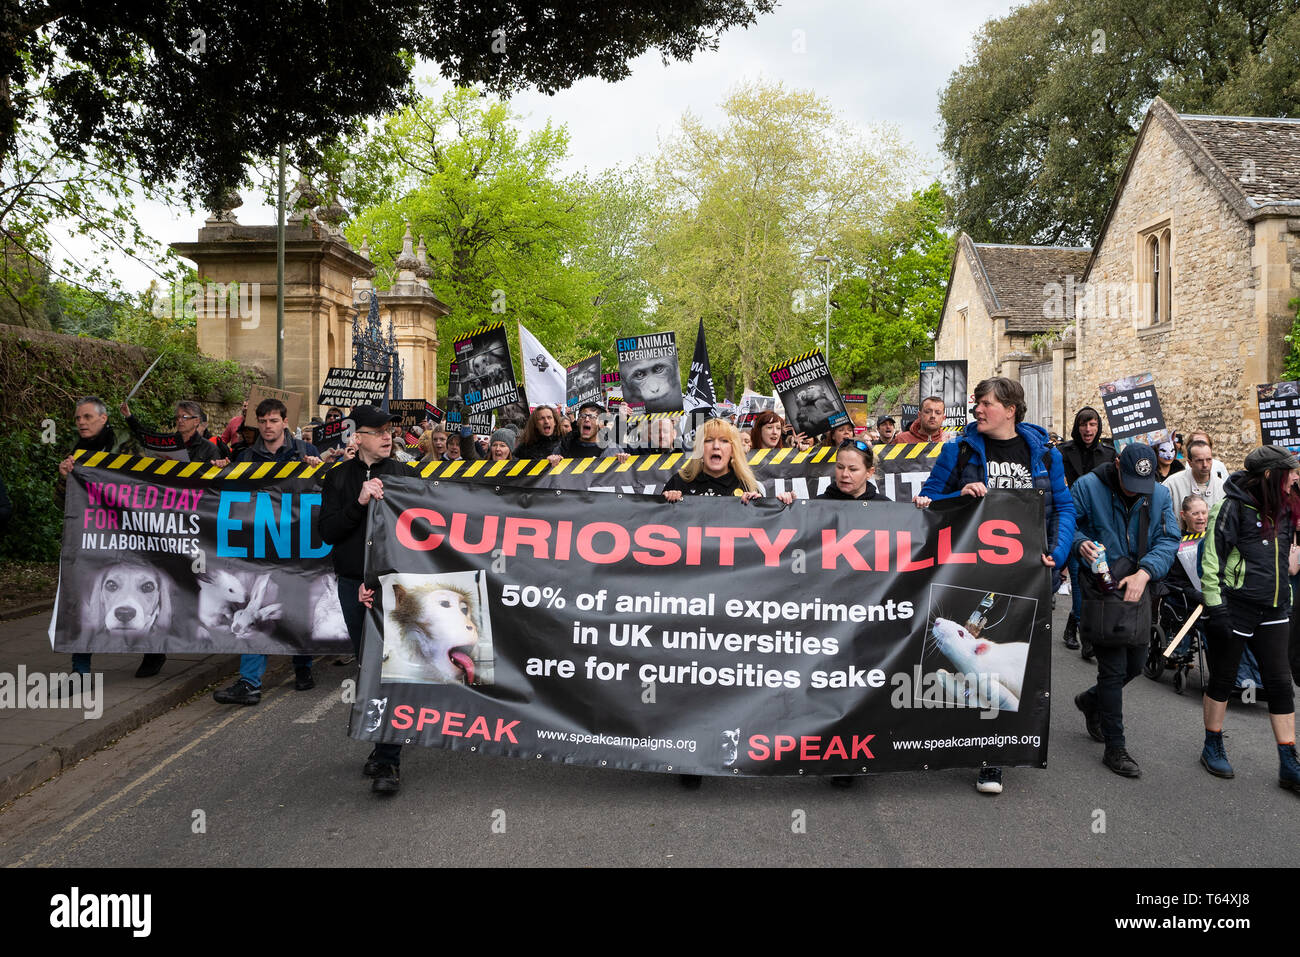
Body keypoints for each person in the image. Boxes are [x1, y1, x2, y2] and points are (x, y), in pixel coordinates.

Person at [914, 376, 1075, 795]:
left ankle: (993, 756)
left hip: (1026, 578)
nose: (976, 411)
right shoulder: (959, 449)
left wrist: (1057, 553)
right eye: (975, 405)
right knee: (967, 669)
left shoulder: (1044, 454)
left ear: (1010, 408)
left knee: (1012, 672)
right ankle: (943, 740)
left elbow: (1062, 506)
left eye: (984, 404)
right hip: (971, 574)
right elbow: (928, 502)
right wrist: (960, 495)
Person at [664, 417, 794, 788]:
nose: (716, 448)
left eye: (723, 441)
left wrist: (780, 505)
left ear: (733, 448)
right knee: (689, 679)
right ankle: (689, 756)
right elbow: (652, 533)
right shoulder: (681, 482)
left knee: (721, 681)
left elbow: (771, 533)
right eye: (710, 441)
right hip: (688, 600)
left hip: (732, 603)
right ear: (700, 447)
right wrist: (666, 504)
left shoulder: (747, 485)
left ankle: (721, 748)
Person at [1071, 443, 1179, 779]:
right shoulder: (1087, 487)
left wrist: (1145, 572)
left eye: (1142, 484)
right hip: (1101, 587)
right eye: (1130, 479)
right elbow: (1062, 523)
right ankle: (1115, 748)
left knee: (1136, 663)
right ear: (1117, 464)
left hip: (1138, 588)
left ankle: (1091, 701)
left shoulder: (1158, 494)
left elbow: (1169, 539)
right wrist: (1078, 543)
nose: (1136, 489)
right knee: (1113, 669)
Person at [1197, 445, 1300, 791]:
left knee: (1280, 684)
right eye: (1291, 472)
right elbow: (1211, 558)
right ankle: (1212, 744)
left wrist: (1287, 589)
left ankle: (1288, 760)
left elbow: (1284, 557)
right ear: (1270, 475)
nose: (1296, 478)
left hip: (1274, 608)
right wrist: (1217, 607)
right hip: (1236, 606)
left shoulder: (1286, 509)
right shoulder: (1231, 507)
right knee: (1224, 678)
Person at [318, 405, 407, 795]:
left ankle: (387, 757)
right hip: (353, 585)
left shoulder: (406, 476)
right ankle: (384, 743)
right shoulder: (337, 478)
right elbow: (328, 532)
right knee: (367, 667)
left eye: (390, 430)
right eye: (378, 431)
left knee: (388, 669)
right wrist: (358, 501)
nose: (388, 436)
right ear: (357, 437)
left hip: (393, 588)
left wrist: (389, 584)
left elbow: (420, 536)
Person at [212, 399, 322, 706]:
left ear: (285, 421)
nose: (267, 426)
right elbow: (227, 493)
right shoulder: (246, 456)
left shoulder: (305, 452)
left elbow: (324, 488)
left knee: (296, 607)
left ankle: (302, 666)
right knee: (253, 610)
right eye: (262, 421)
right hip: (259, 545)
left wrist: (320, 468)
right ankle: (249, 682)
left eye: (273, 420)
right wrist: (220, 471)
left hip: (297, 544)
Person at [57, 396, 163, 680]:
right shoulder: (77, 452)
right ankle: (80, 669)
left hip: (134, 536)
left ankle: (154, 651)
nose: (81, 422)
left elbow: (149, 486)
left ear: (103, 419)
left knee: (142, 594)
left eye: (87, 417)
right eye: (78, 418)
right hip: (94, 537)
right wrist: (64, 477)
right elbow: (65, 503)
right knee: (81, 595)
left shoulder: (127, 445)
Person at [1056, 407, 1116, 653]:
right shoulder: (1062, 452)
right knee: (1079, 579)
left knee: (1099, 577)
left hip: (1099, 523)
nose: (1088, 430)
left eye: (1092, 424)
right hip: (1071, 522)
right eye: (1083, 425)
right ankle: (1086, 634)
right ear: (1077, 427)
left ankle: (1074, 622)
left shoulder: (1109, 454)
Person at [121, 398, 218, 462]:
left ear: (196, 421)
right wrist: (129, 417)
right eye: (178, 417)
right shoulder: (168, 442)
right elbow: (145, 436)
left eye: (184, 417)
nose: (180, 421)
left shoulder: (209, 449)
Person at [1163, 438, 1228, 513]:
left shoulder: (1221, 488)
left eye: (1208, 460)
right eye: (1199, 461)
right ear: (1190, 463)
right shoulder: (1172, 485)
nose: (1205, 465)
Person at [553, 402, 625, 461]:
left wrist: (624, 460)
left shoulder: (613, 450)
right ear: (577, 421)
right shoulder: (563, 448)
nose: (586, 419)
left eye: (592, 417)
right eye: (583, 416)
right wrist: (551, 461)